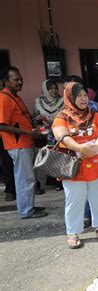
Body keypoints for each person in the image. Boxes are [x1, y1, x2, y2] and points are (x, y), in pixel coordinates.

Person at [52, 82, 98, 248]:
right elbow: (61, 136)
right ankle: (73, 232)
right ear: (70, 98)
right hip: (73, 167)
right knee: (74, 200)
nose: (83, 99)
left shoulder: (95, 115)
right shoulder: (61, 117)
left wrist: (94, 149)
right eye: (79, 96)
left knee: (97, 197)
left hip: (96, 163)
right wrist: (80, 148)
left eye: (85, 95)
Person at [0, 66, 46, 219]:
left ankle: (28, 206)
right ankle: (26, 211)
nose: (20, 82)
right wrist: (28, 132)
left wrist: (34, 128)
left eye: (21, 79)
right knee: (25, 179)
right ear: (5, 81)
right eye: (15, 80)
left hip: (26, 143)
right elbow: (2, 125)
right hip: (18, 145)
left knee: (28, 178)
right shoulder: (4, 98)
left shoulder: (14, 96)